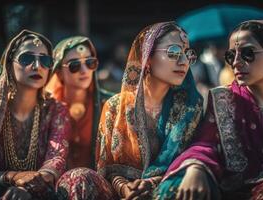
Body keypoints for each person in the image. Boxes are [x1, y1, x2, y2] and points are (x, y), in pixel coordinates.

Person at [155, 20, 263, 200]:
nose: (236, 62)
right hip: (227, 190)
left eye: (247, 53)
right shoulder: (224, 100)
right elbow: (206, 144)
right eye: (230, 55)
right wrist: (196, 168)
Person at [56, 21, 203, 200]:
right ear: (147, 57)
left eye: (188, 54)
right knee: (78, 177)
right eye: (173, 52)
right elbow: (107, 169)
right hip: (120, 193)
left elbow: (190, 162)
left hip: (166, 190)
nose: (183, 62)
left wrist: (149, 184)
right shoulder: (115, 107)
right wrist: (125, 188)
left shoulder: (190, 107)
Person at [0, 30, 70, 200]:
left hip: (39, 191)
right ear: (9, 64)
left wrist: (29, 188)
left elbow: (56, 160)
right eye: (27, 58)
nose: (37, 66)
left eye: (44, 60)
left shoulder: (56, 110)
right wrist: (12, 177)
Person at [46, 36, 113, 169]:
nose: (84, 70)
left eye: (90, 63)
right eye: (74, 65)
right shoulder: (47, 107)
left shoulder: (109, 104)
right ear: (58, 73)